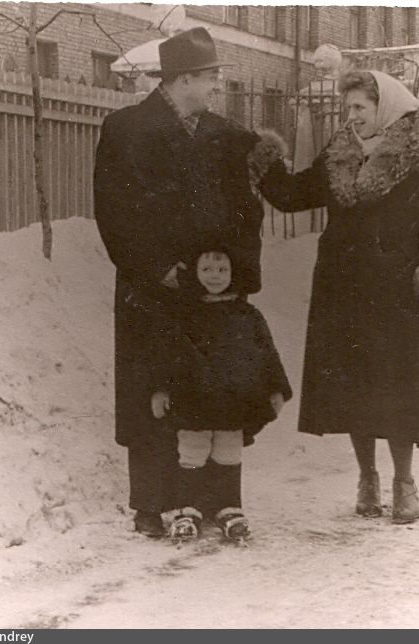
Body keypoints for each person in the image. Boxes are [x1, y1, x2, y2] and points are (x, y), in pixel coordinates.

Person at [93, 27, 285, 538]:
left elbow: (254, 200)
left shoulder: (225, 134)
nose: (215, 87)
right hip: (148, 286)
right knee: (150, 391)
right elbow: (112, 212)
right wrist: (155, 268)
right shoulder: (125, 128)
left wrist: (231, 273)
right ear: (181, 80)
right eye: (209, 78)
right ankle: (152, 506)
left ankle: (207, 502)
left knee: (205, 392)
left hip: (204, 293)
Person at [259, 70, 419, 524]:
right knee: (355, 387)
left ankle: (404, 482)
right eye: (348, 108)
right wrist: (262, 160)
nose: (351, 117)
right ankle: (367, 479)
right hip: (342, 289)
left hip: (395, 292)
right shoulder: (339, 155)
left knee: (397, 390)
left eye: (360, 108)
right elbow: (293, 195)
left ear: (386, 107)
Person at [149, 246, 292, 542]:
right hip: (193, 398)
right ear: (195, 273)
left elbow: (266, 353)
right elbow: (166, 353)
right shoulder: (184, 312)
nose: (214, 276)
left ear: (234, 273)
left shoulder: (247, 314)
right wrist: (160, 389)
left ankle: (229, 507)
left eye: (222, 269)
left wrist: (276, 389)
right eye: (207, 270)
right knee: (192, 450)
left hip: (232, 399)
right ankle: (187, 510)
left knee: (228, 450)